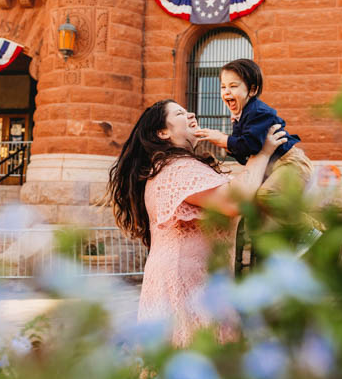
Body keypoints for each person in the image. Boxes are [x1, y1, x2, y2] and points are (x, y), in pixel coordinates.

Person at [106, 99, 287, 346]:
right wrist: (262, 152)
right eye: (180, 113)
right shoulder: (178, 168)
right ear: (163, 132)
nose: (191, 114)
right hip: (187, 286)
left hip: (185, 280)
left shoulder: (169, 167)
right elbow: (235, 200)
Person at [194, 59, 321, 253]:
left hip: (291, 163)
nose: (226, 92)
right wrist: (229, 145)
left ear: (252, 90)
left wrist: (222, 139)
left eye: (233, 86)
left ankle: (311, 231)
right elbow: (247, 156)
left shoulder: (257, 112)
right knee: (256, 205)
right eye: (223, 87)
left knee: (267, 195)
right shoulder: (240, 117)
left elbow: (250, 145)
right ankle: (289, 241)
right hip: (273, 167)